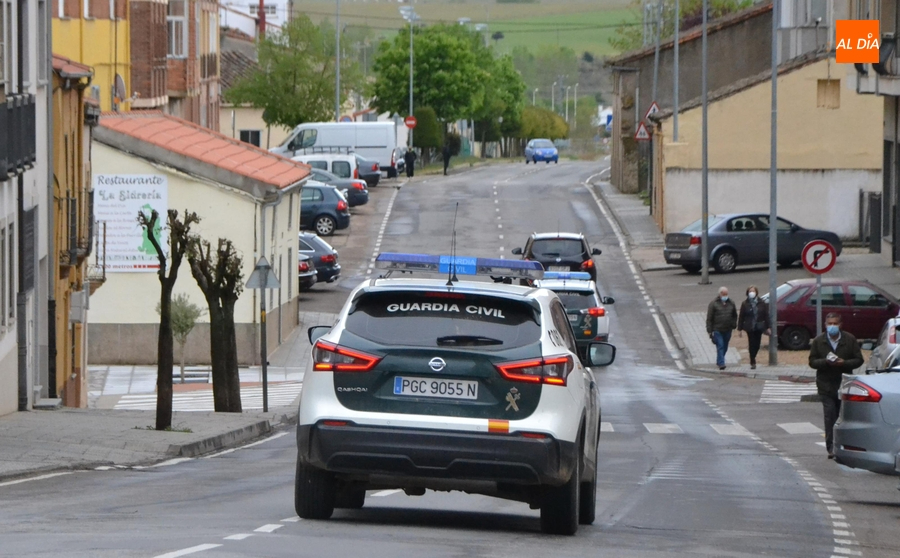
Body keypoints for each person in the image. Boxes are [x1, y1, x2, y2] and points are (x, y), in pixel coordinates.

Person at [809, 312, 864, 459]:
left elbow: (859, 360)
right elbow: (812, 361)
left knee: (843, 416)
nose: (832, 326)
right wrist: (826, 362)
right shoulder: (819, 341)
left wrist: (844, 363)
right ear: (825, 325)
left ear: (840, 325)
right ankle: (831, 447)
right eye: (829, 324)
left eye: (835, 323)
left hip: (844, 384)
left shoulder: (849, 339)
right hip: (826, 385)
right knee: (830, 416)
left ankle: (845, 445)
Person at [737, 285, 771, 370]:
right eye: (750, 291)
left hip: (759, 326)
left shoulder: (761, 303)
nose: (752, 293)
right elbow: (741, 316)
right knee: (752, 343)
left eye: (753, 291)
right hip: (750, 326)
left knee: (757, 344)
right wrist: (739, 329)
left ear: (756, 292)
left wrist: (768, 327)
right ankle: (752, 360)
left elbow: (766, 315)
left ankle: (753, 355)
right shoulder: (745, 304)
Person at [706, 286, 737, 370]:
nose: (725, 296)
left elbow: (734, 315)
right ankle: (721, 363)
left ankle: (719, 359)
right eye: (723, 294)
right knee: (720, 345)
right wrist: (709, 330)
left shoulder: (731, 303)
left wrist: (733, 324)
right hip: (717, 329)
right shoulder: (713, 304)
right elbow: (709, 318)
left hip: (728, 329)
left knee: (725, 346)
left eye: (726, 294)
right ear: (720, 294)